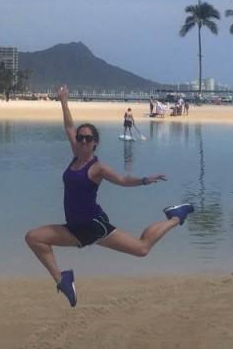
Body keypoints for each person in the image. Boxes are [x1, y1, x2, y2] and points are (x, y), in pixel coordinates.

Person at [24, 85, 194, 308]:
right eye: (80, 138)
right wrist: (64, 101)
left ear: (95, 143)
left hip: (94, 227)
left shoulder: (98, 168)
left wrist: (143, 180)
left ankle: (175, 216)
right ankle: (62, 279)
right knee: (34, 238)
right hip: (73, 228)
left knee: (142, 249)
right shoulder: (75, 157)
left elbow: (122, 181)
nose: (83, 141)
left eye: (88, 138)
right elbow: (68, 126)